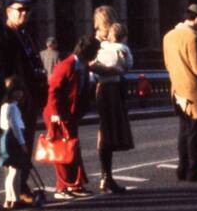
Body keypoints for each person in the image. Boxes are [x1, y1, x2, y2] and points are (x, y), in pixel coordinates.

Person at [0, 0, 46, 204]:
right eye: (19, 10)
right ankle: (18, 188)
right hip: (16, 98)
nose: (24, 13)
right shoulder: (5, 35)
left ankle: (21, 184)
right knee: (16, 144)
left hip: (30, 96)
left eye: (27, 10)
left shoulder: (25, 33)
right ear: (8, 11)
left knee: (25, 142)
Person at [43, 35, 100, 199]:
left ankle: (75, 184)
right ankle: (62, 188)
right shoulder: (66, 65)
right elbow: (53, 90)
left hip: (70, 114)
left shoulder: (82, 65)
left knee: (72, 150)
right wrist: (55, 114)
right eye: (95, 52)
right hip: (58, 115)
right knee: (62, 152)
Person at [162, 4, 197, 182]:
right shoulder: (192, 38)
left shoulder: (168, 36)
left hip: (176, 90)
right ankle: (194, 170)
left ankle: (182, 168)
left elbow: (167, 64)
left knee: (183, 130)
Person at [92, 12, 134, 193]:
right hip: (105, 89)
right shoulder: (97, 44)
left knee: (108, 132)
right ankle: (105, 177)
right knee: (105, 132)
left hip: (108, 89)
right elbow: (90, 66)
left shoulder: (107, 45)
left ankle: (107, 176)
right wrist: (114, 70)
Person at [0, 76, 30, 209]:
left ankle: (9, 199)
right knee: (14, 171)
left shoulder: (5, 106)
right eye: (16, 90)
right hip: (13, 139)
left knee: (11, 170)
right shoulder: (11, 107)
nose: (19, 93)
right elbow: (15, 127)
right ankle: (14, 199)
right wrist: (23, 143)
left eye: (20, 90)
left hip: (6, 138)